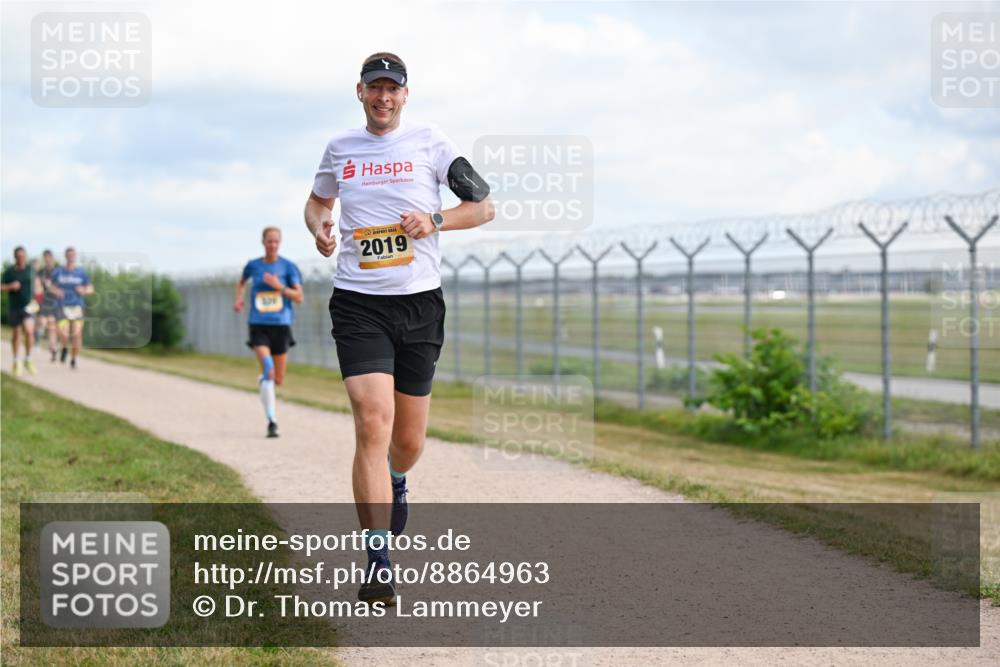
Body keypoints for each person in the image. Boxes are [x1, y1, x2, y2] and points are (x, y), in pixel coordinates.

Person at [304, 52, 494, 604]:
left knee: (406, 442)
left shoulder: (432, 142)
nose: (383, 97)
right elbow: (317, 204)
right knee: (371, 421)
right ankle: (378, 558)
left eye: (392, 88)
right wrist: (320, 229)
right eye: (374, 88)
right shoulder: (340, 148)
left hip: (419, 306)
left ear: (405, 95)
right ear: (359, 93)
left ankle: (399, 477)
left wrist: (435, 219)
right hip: (358, 303)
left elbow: (482, 208)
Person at [234, 227, 304, 438]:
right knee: (268, 367)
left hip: (281, 326)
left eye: (276, 242)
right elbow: (241, 283)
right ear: (262, 242)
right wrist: (239, 299)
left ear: (279, 243)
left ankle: (265, 382)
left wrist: (279, 286)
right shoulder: (253, 266)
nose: (272, 245)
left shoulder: (288, 267)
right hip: (258, 324)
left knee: (278, 379)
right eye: (269, 241)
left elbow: (299, 297)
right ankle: (272, 421)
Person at [49, 247, 93, 370]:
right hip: (62, 306)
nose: (71, 257)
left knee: (77, 335)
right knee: (64, 333)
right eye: (69, 255)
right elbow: (50, 286)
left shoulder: (81, 273)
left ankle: (74, 359)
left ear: (75, 256)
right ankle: (64, 347)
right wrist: (56, 290)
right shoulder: (58, 272)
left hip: (77, 306)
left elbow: (91, 288)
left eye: (73, 255)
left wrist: (84, 290)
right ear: (65, 256)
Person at [1, 246, 41, 376]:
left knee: (29, 331)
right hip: (14, 307)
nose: (21, 258)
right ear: (15, 257)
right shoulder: (9, 272)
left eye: (23, 256)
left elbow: (37, 284)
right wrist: (9, 286)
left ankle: (28, 359)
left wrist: (38, 295)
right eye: (18, 256)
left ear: (25, 256)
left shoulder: (30, 270)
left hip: (29, 307)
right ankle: (16, 360)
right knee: (16, 334)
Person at [36, 249, 60, 362]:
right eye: (45, 258)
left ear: (52, 258)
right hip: (44, 301)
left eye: (49, 257)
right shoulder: (41, 271)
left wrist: (51, 287)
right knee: (42, 322)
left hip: (55, 301)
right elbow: (37, 285)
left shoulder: (58, 271)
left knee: (52, 327)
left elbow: (61, 288)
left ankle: (53, 349)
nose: (47, 260)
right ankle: (37, 341)